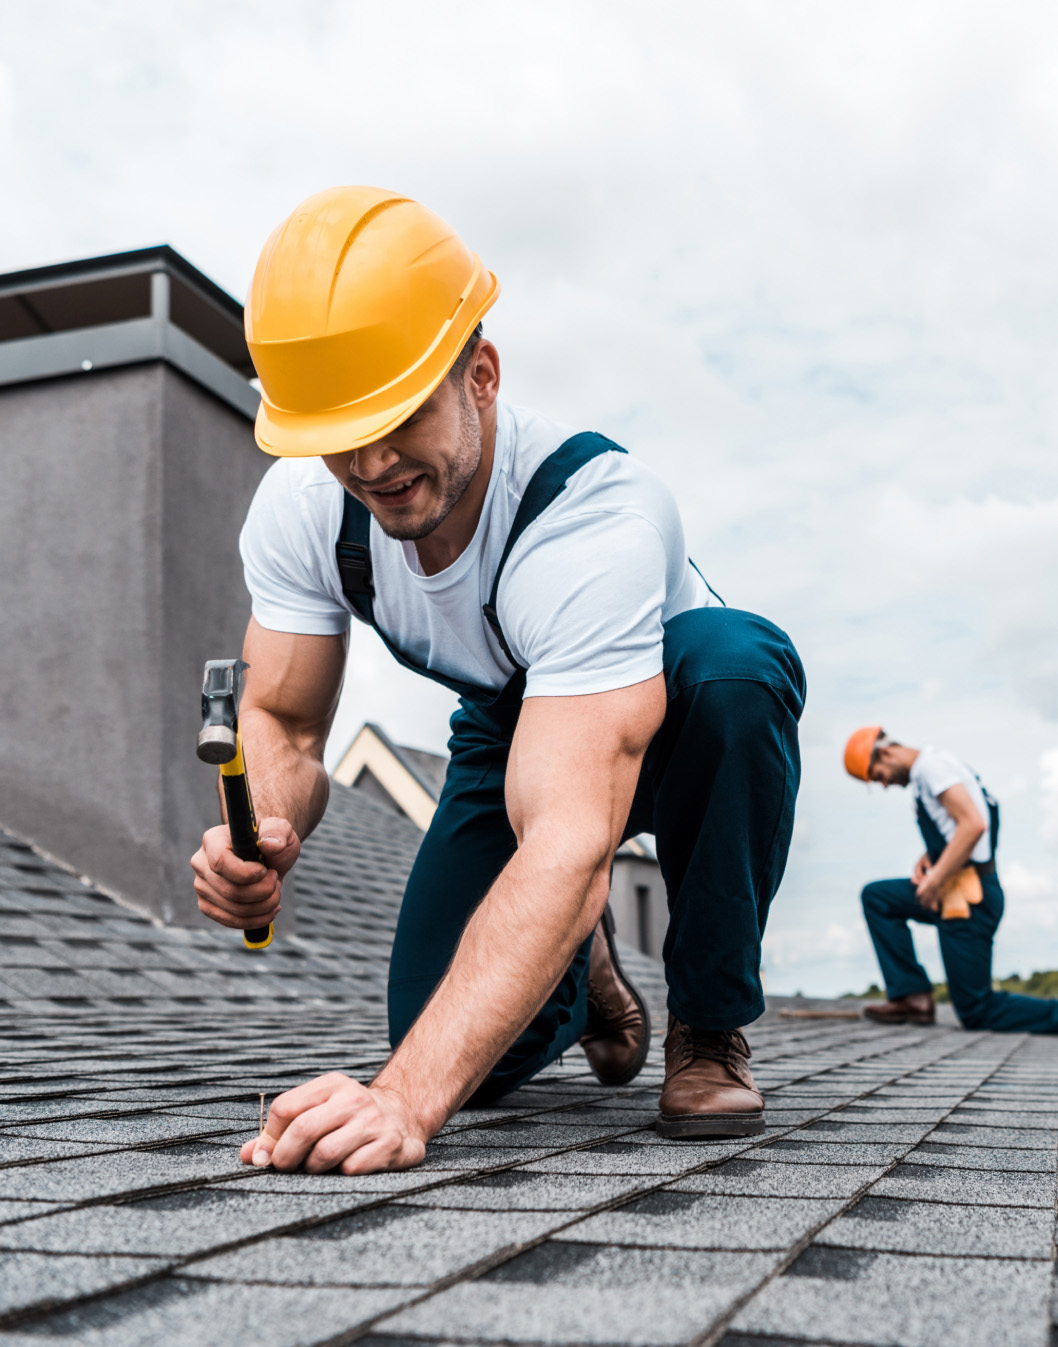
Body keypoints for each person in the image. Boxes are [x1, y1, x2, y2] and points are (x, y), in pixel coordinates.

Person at [191, 187, 805, 1174]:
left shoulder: (590, 519)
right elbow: (280, 720)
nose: (373, 461)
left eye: (397, 416)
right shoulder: (305, 512)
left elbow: (567, 835)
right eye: (341, 433)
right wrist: (267, 835)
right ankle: (587, 966)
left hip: (666, 696)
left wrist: (401, 1101)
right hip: (508, 720)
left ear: (479, 374)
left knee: (738, 669)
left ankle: (706, 1024)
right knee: (449, 1035)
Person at [844, 726, 1058, 1032]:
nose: (885, 784)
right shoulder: (929, 773)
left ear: (887, 752)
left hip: (971, 899)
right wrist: (930, 855)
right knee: (878, 897)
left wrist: (934, 880)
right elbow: (959, 824)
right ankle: (912, 997)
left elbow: (974, 825)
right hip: (955, 891)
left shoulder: (932, 768)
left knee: (977, 1011)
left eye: (878, 775)